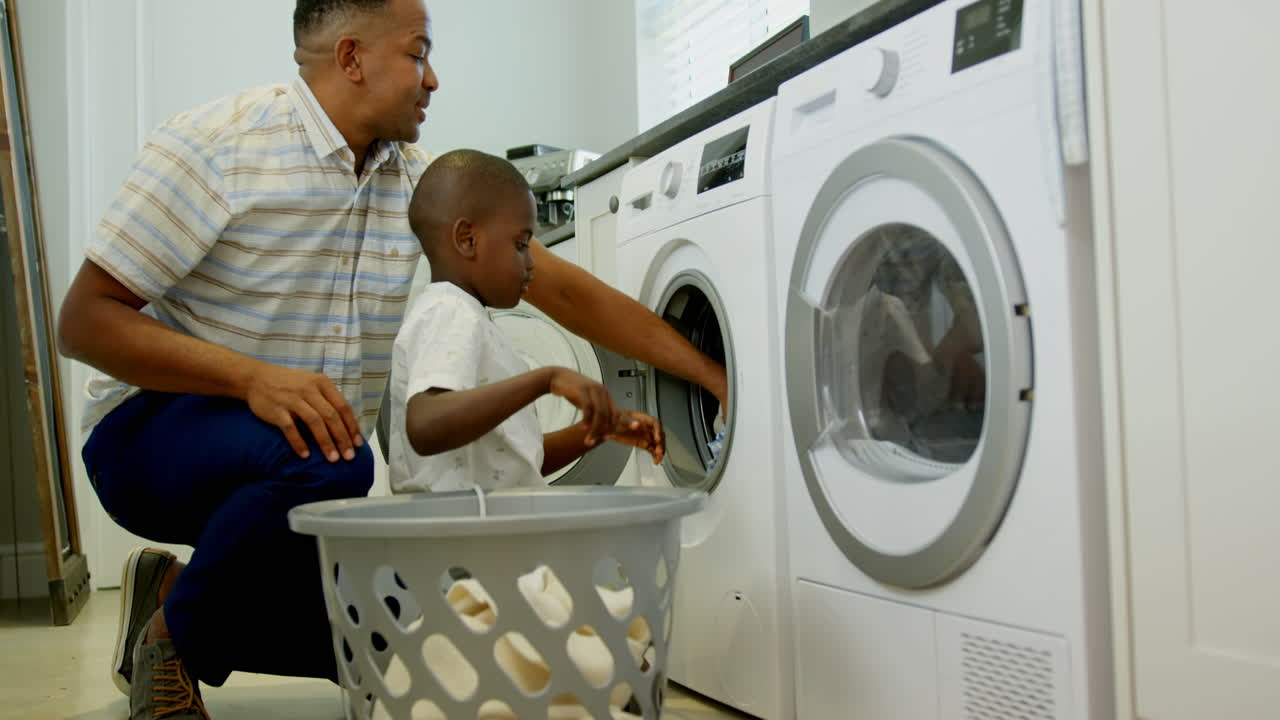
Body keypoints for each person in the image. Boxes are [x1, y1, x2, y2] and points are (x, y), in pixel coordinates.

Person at [54, 1, 727, 718]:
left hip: (292, 462)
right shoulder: (216, 146)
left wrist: (712, 374)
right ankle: (173, 640)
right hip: (148, 438)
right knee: (336, 456)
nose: (432, 78)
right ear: (351, 58)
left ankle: (172, 595)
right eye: (417, 53)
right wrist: (251, 378)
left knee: (408, 636)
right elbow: (83, 322)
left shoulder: (412, 181)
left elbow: (576, 298)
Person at [390, 150, 665, 495]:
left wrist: (598, 431)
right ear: (467, 240)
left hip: (473, 537)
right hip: (458, 542)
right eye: (521, 244)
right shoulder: (448, 311)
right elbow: (426, 426)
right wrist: (546, 379)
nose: (532, 263)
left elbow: (514, 463)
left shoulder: (468, 317)